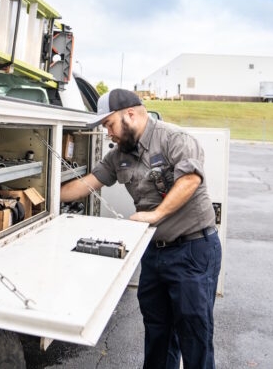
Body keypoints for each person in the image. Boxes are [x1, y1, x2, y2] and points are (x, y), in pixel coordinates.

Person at [60, 89, 222, 369]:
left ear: (130, 114)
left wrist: (155, 214)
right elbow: (88, 183)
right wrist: (44, 194)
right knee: (158, 331)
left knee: (194, 334)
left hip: (192, 250)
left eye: (109, 124)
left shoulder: (174, 139)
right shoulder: (119, 155)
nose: (107, 133)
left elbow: (190, 181)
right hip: (154, 254)